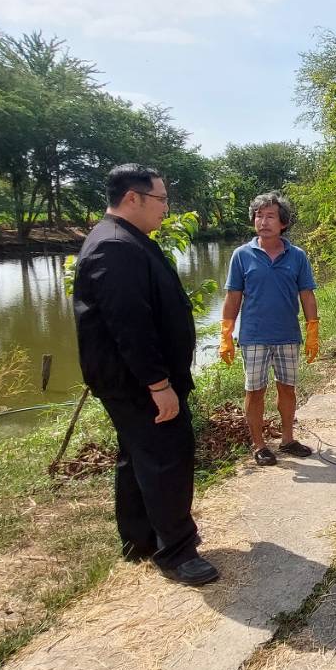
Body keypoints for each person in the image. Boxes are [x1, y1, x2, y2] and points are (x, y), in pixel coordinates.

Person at [73, 164, 218, 587]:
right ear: (132, 198)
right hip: (139, 384)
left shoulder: (127, 240)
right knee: (167, 458)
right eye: (161, 199)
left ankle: (139, 538)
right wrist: (159, 384)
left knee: (137, 455)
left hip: (134, 382)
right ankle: (177, 551)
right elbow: (129, 325)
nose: (166, 209)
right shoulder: (115, 247)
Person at [218, 193, 319, 466]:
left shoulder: (297, 256)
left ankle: (287, 439)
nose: (263, 221)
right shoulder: (241, 256)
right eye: (258, 216)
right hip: (253, 337)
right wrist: (226, 334)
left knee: (287, 389)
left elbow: (307, 295)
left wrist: (313, 330)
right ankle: (259, 445)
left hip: (287, 335)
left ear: (283, 222)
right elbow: (232, 298)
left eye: (270, 216)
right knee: (255, 391)